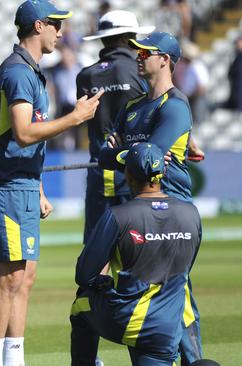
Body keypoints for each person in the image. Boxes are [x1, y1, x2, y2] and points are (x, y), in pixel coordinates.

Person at [0, 1, 103, 365]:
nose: (60, 33)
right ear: (37, 26)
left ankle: (14, 358)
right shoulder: (17, 72)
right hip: (7, 185)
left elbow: (28, 143)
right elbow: (24, 132)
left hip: (23, 183)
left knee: (25, 276)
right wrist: (75, 117)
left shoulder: (30, 71)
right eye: (56, 25)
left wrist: (40, 188)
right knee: (10, 276)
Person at [100, 31, 204, 365]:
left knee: (178, 293)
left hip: (171, 207)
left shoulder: (174, 106)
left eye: (147, 52)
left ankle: (193, 360)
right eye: (137, 52)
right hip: (136, 208)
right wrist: (130, 155)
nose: (139, 57)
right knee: (138, 291)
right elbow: (110, 154)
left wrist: (125, 153)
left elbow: (152, 156)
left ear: (166, 60)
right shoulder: (132, 106)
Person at [71, 142, 202, 366]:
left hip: (128, 320)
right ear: (161, 173)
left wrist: (105, 282)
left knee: (80, 306)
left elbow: (84, 275)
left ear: (128, 174)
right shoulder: (191, 213)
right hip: (167, 329)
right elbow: (185, 268)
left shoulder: (118, 215)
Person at [77, 9, 154, 245]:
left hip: (100, 171)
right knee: (137, 248)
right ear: (126, 38)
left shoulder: (85, 76)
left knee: (97, 251)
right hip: (137, 171)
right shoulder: (140, 71)